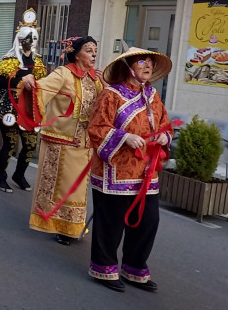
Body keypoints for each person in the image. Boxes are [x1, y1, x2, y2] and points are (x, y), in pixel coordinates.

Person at [87, 47, 173, 293]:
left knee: (148, 222)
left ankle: (134, 267)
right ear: (128, 68)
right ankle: (104, 268)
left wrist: (165, 137)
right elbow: (96, 128)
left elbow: (165, 124)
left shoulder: (153, 95)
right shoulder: (111, 95)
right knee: (111, 223)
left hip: (146, 172)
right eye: (142, 62)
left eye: (150, 63)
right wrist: (124, 137)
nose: (147, 67)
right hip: (114, 171)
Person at [21, 36, 104, 245]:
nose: (93, 54)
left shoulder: (97, 79)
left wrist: (108, 85)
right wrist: (30, 83)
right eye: (88, 50)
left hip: (85, 144)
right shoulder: (63, 73)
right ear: (76, 54)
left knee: (78, 188)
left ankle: (73, 224)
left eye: (95, 50)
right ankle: (58, 224)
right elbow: (42, 89)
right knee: (62, 186)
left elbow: (107, 107)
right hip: (62, 141)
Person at [0, 9, 47, 192]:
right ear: (21, 40)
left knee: (30, 144)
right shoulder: (10, 58)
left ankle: (19, 175)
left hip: (29, 106)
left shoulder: (37, 60)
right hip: (10, 105)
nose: (32, 42)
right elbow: (1, 82)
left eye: (35, 38)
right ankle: (1, 178)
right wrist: (21, 80)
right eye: (29, 38)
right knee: (10, 143)